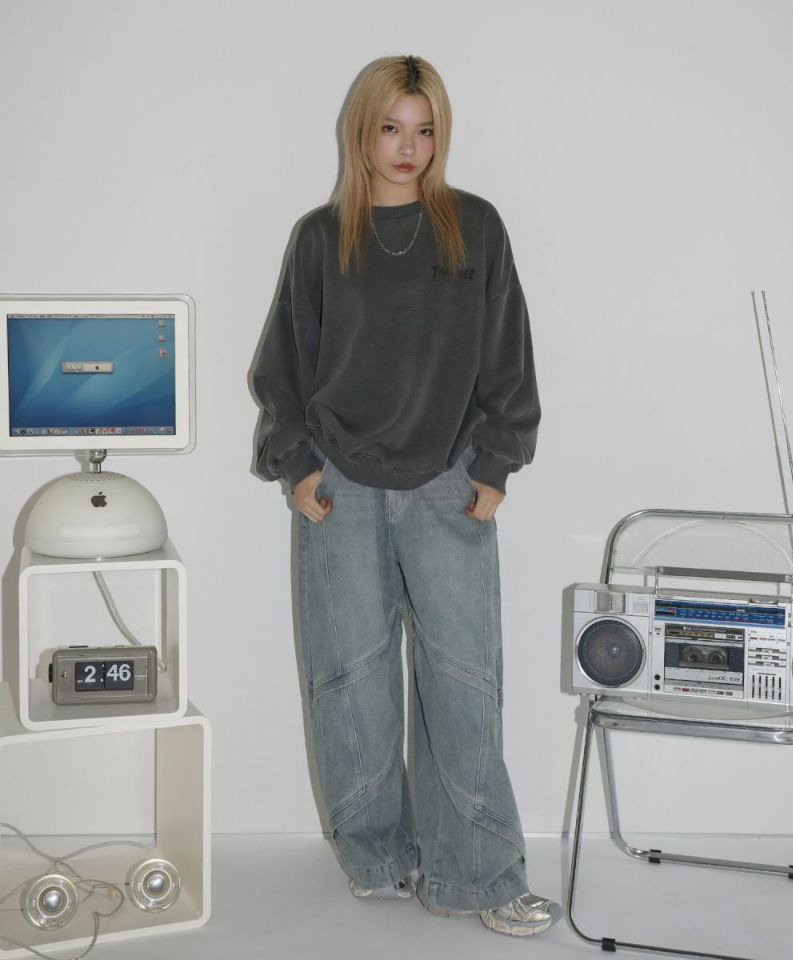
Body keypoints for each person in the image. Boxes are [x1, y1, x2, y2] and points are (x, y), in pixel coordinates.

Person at [251, 54, 555, 937]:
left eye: (424, 130)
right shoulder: (321, 238)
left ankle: (480, 876)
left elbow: (509, 357)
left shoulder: (475, 227)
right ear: (363, 131)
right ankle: (380, 856)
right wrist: (298, 465)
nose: (408, 147)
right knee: (349, 678)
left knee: (464, 682)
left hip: (448, 484)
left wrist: (494, 465)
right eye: (391, 128)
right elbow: (283, 368)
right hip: (338, 486)